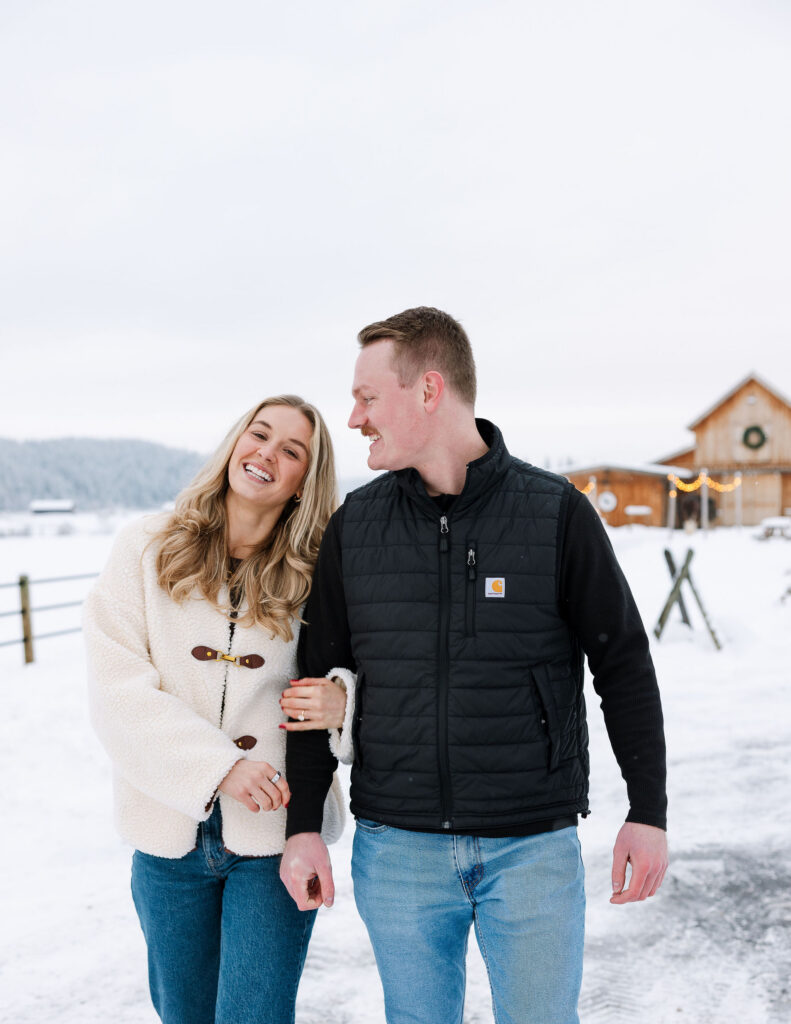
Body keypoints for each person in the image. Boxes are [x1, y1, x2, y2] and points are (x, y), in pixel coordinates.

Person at [280, 309, 669, 1024]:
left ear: (428, 390)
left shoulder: (555, 513)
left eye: (367, 397)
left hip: (531, 848)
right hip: (396, 850)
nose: (355, 418)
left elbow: (623, 665)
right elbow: (313, 689)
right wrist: (303, 824)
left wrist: (647, 812)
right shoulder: (354, 527)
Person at [84, 394, 351, 1024]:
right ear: (236, 442)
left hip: (274, 831)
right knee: (184, 1015)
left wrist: (343, 698)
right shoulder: (144, 548)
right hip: (166, 831)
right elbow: (116, 688)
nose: (267, 454)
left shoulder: (320, 573)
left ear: (304, 482)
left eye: (291, 450)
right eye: (259, 434)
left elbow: (368, 669)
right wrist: (218, 767)